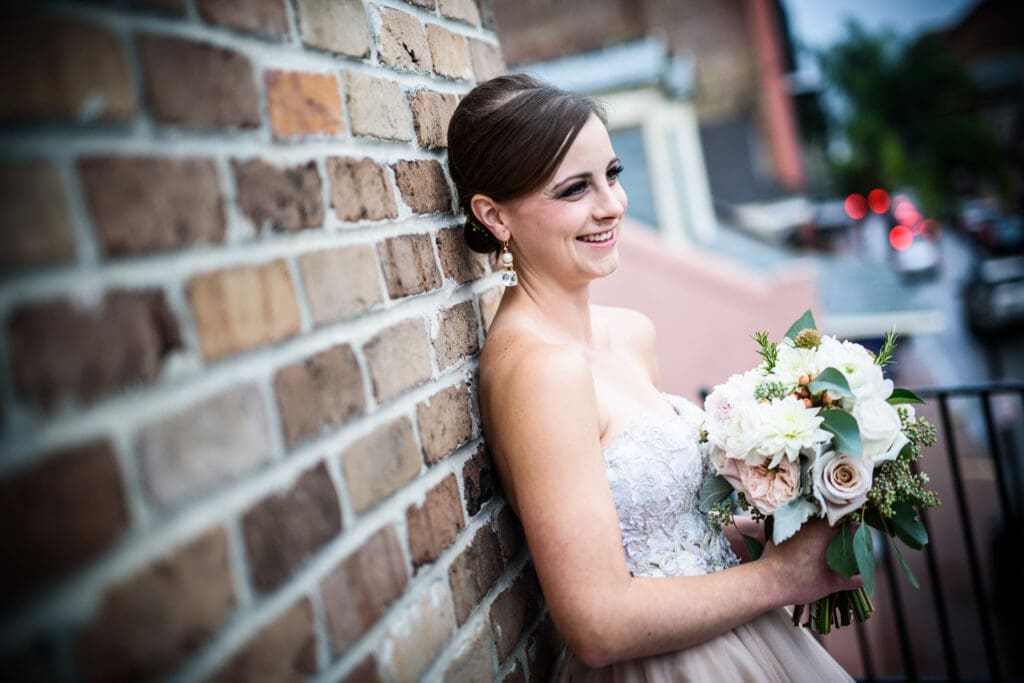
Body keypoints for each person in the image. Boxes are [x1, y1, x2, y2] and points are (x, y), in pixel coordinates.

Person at [447, 74, 857, 681]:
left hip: (739, 638)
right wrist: (781, 577)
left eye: (612, 174)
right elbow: (597, 623)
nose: (611, 205)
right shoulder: (539, 372)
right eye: (573, 189)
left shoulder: (632, 332)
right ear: (495, 216)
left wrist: (785, 525)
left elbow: (666, 534)